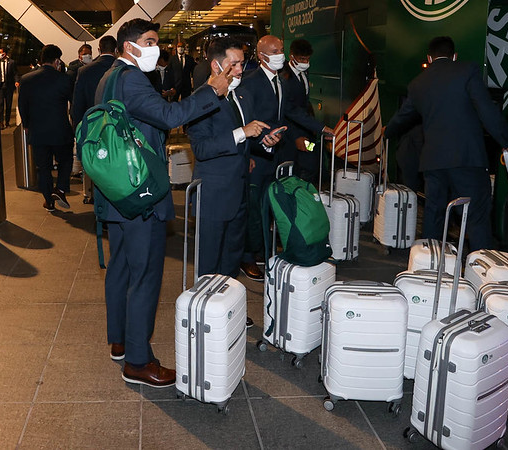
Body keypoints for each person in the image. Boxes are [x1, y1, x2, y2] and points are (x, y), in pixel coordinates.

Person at [94, 18, 230, 388]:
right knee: (145, 276)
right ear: (129, 46)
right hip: (138, 193)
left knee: (121, 268)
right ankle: (138, 361)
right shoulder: (133, 78)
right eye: (150, 40)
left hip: (115, 191)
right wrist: (211, 91)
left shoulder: (108, 78)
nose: (156, 47)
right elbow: (172, 116)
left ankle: (119, 340)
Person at [385, 36, 508, 251]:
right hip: (466, 159)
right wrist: (506, 141)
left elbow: (402, 117)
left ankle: (430, 265)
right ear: (455, 56)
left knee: (434, 213)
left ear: (429, 57)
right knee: (474, 216)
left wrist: (387, 131)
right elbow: (486, 110)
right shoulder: (468, 71)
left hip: (433, 163)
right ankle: (478, 267)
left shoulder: (418, 83)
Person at [187, 37, 280, 327]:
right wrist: (242, 132)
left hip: (239, 187)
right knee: (209, 259)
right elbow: (201, 148)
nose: (240, 70)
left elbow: (248, 139)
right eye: (234, 64)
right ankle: (205, 317)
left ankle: (228, 310)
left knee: (231, 256)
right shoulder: (201, 99)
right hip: (212, 192)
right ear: (216, 66)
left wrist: (265, 142)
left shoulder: (242, 96)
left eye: (242, 63)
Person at [239, 35, 333, 281]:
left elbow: (291, 111)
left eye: (281, 49)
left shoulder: (280, 81)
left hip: (276, 154)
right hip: (257, 155)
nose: (280, 53)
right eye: (275, 50)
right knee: (254, 208)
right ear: (262, 56)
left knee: (269, 204)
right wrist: (252, 149)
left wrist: (321, 129)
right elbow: (245, 121)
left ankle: (265, 248)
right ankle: (248, 256)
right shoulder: (250, 83)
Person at [18, 44, 73, 212]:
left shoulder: (26, 79)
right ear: (57, 60)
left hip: (37, 131)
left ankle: (49, 201)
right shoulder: (64, 79)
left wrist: (27, 125)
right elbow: (74, 104)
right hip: (60, 131)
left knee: (44, 168)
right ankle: (61, 189)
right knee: (66, 160)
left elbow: (22, 106)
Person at [281, 38, 318, 184]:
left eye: (307, 59)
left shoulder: (304, 73)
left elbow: (304, 103)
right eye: (302, 59)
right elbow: (286, 111)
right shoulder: (284, 78)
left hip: (306, 132)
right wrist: (296, 136)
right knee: (298, 168)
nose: (305, 62)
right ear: (292, 56)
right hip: (293, 136)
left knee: (312, 161)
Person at [71, 35, 117, 130]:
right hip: (117, 125)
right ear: (116, 50)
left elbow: (78, 105)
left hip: (92, 125)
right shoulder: (122, 69)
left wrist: (78, 130)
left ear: (99, 50)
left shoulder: (84, 71)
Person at [0, 47, 19, 128]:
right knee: (0, 104)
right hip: (0, 86)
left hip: (9, 86)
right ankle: (1, 122)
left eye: (1, 53)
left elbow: (15, 73)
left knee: (8, 104)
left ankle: (7, 122)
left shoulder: (11, 62)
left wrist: (17, 81)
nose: (0, 54)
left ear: (5, 53)